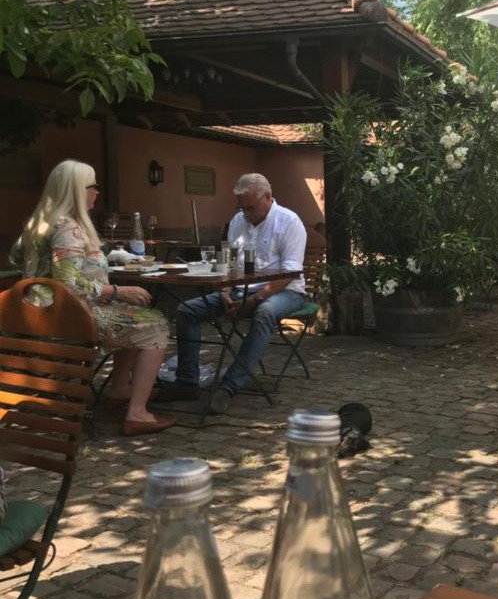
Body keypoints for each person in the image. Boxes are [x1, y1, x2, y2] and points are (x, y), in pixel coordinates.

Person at [13, 160, 174, 436]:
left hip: (37, 315)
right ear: (76, 190)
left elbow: (34, 262)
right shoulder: (69, 228)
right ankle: (137, 413)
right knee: (157, 325)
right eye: (93, 186)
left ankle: (121, 390)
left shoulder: (42, 223)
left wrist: (107, 261)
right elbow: (68, 282)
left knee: (136, 319)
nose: (97, 192)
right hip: (69, 320)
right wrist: (116, 291)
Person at [159, 173, 306, 414]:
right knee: (187, 310)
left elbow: (290, 273)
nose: (246, 213)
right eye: (242, 208)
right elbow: (228, 265)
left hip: (286, 292)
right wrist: (225, 291)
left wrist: (256, 298)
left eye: (251, 207)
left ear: (268, 197)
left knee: (264, 312)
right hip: (240, 290)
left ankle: (229, 386)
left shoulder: (289, 222)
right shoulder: (237, 221)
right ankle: (186, 382)